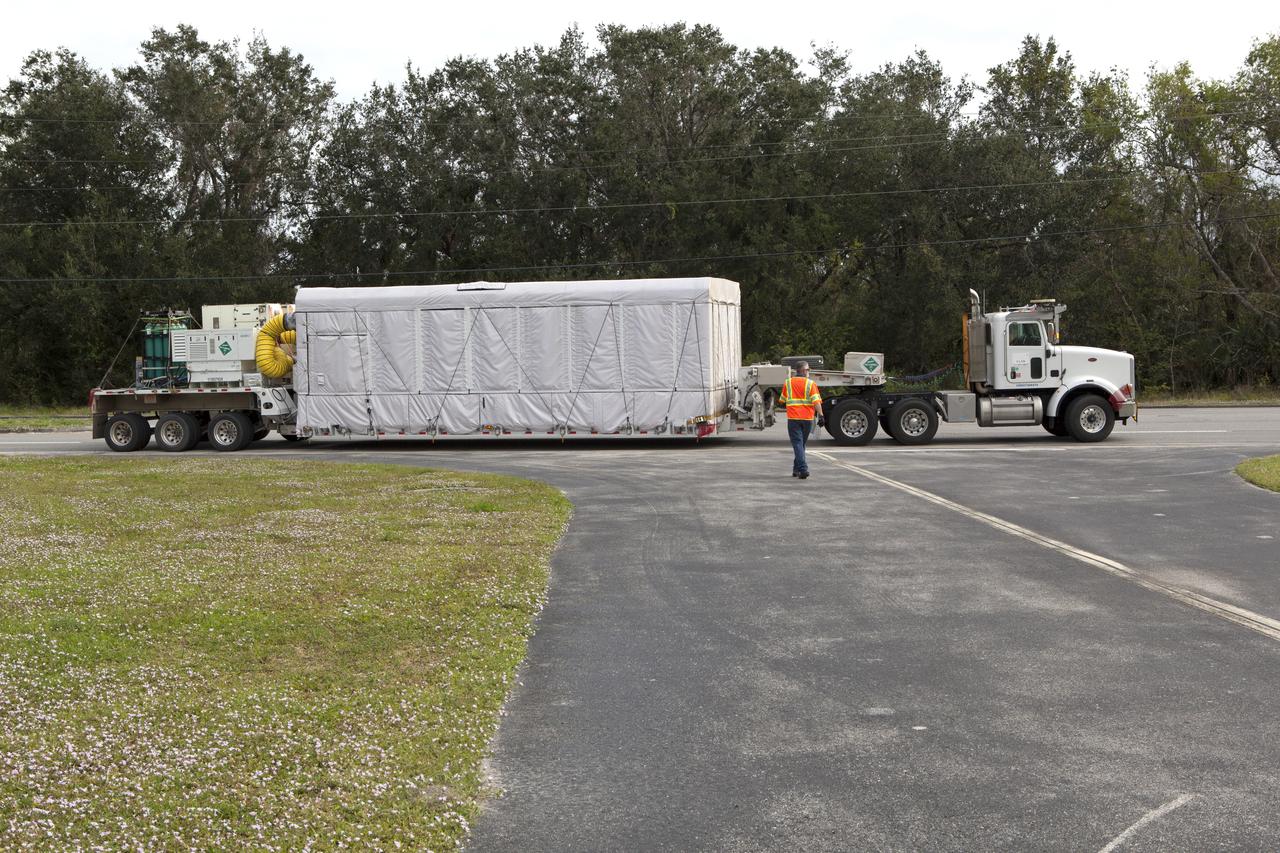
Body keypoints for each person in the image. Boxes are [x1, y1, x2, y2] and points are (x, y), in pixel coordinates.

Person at [780, 362, 824, 479]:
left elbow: (783, 399)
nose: (809, 371)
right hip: (807, 419)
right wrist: (821, 415)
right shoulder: (811, 384)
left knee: (798, 444)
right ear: (803, 371)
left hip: (793, 419)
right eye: (808, 369)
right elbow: (816, 402)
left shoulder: (788, 383)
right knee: (801, 444)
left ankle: (802, 469)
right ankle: (797, 469)